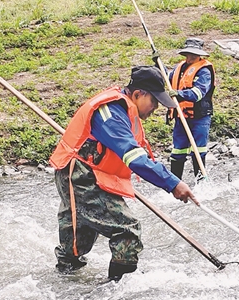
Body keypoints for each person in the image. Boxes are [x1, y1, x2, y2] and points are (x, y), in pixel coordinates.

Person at [49, 65, 199, 281]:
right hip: (81, 176)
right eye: (154, 102)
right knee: (127, 232)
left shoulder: (124, 109)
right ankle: (114, 291)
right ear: (138, 94)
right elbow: (134, 157)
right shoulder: (110, 114)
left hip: (89, 173)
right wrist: (173, 184)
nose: (155, 108)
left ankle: (65, 285)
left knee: (76, 240)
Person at [168, 37, 215, 181]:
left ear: (199, 55)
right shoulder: (179, 68)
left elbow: (198, 93)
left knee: (198, 150)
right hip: (181, 116)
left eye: (193, 55)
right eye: (188, 54)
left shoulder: (204, 71)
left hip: (199, 117)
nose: (190, 58)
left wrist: (179, 94)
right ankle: (175, 184)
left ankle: (201, 184)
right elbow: (167, 78)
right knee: (178, 150)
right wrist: (158, 65)